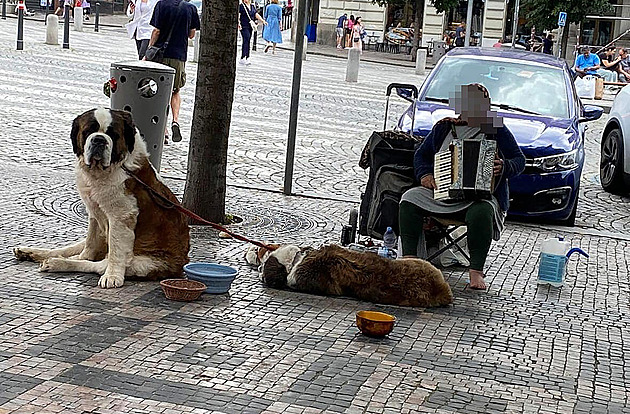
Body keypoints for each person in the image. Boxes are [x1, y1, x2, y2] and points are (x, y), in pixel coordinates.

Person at [398, 83, 525, 290]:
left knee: (482, 211)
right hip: (442, 193)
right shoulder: (444, 128)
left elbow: (520, 161)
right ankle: (410, 261)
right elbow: (421, 155)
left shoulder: (496, 129)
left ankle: (476, 271)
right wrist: (426, 175)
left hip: (479, 197)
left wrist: (504, 166)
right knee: (409, 199)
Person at [148, 0, 200, 143]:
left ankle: (163, 130)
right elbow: (191, 34)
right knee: (175, 91)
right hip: (178, 56)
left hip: (160, 55)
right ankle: (175, 121)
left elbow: (156, 31)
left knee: (159, 92)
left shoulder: (161, 5)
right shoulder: (190, 8)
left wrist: (148, 51)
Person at [238, 0, 267, 65]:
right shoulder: (241, 6)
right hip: (243, 26)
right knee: (246, 39)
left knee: (248, 41)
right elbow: (238, 15)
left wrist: (262, 21)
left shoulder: (252, 6)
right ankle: (243, 57)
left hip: (250, 26)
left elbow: (255, 14)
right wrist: (239, 23)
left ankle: (247, 57)